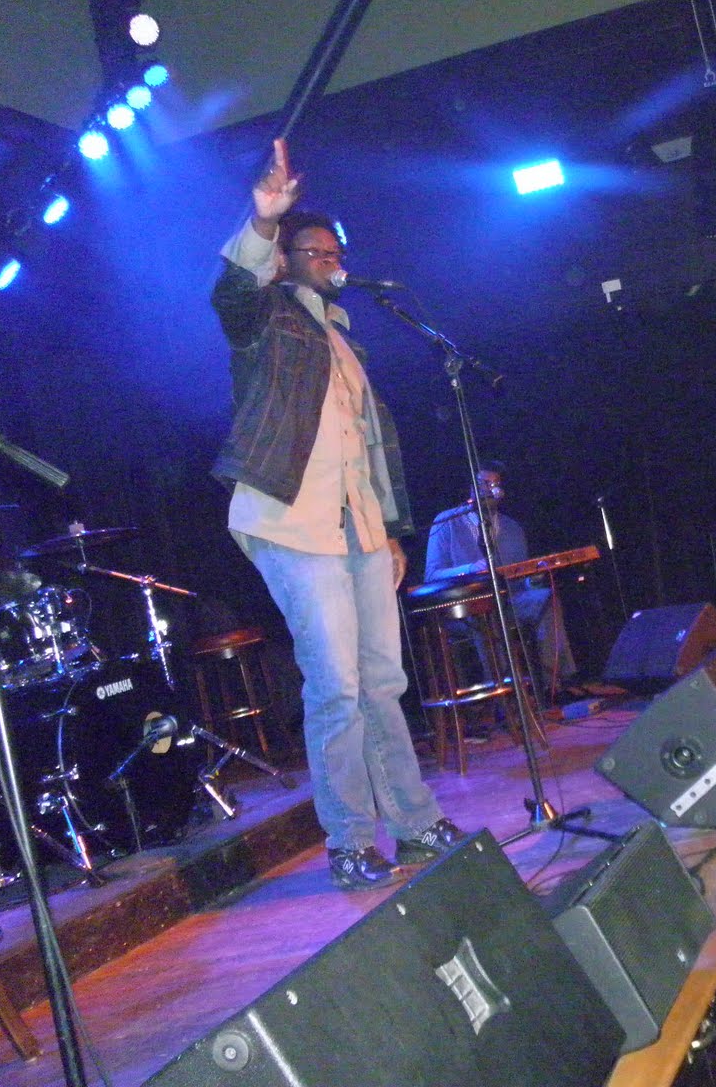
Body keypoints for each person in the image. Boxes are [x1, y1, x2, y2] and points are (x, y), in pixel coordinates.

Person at [210, 138, 462, 891]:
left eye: (334, 251)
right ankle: (349, 842)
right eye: (313, 250)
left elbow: (368, 447)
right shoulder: (267, 320)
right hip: (293, 521)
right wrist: (264, 219)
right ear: (285, 261)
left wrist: (390, 531)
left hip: (358, 529)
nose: (329, 259)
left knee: (383, 681)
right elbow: (232, 295)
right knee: (337, 688)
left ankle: (414, 825)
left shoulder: (341, 336)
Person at [424, 461, 576, 686]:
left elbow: (521, 580)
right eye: (482, 484)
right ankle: (504, 688)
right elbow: (432, 575)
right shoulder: (446, 522)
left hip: (509, 601)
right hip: (466, 606)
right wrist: (470, 569)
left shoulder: (512, 528)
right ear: (471, 488)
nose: (488, 490)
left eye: (494, 485)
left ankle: (554, 681)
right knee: (486, 612)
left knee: (545, 598)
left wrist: (533, 579)